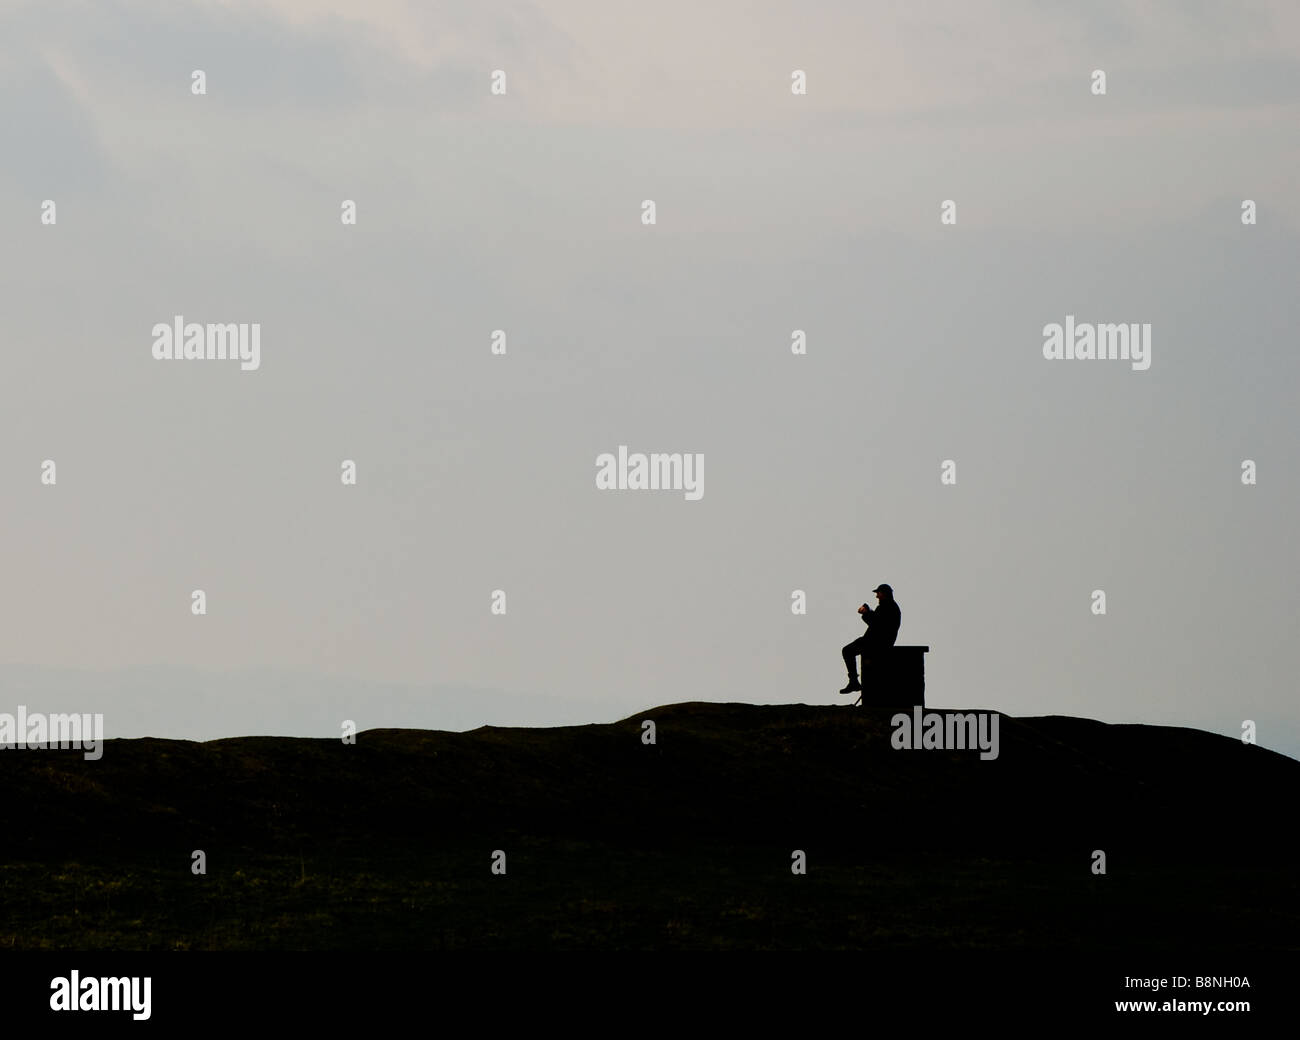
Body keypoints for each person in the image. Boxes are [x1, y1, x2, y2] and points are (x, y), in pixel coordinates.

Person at [839, 584, 901, 695]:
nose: (877, 596)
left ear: (884, 593)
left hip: (876, 642)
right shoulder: (889, 607)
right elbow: (878, 621)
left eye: (878, 593)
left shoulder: (887, 607)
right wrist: (868, 612)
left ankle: (853, 682)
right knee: (848, 651)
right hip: (878, 641)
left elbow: (877, 624)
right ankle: (854, 682)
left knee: (847, 651)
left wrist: (866, 613)